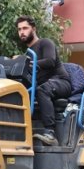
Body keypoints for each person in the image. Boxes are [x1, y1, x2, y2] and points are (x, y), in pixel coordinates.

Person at [15, 16, 73, 146]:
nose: (22, 32)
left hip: (61, 82)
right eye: (19, 29)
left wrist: (25, 60)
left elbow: (50, 61)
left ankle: (50, 133)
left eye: (25, 28)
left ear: (33, 29)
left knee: (42, 90)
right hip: (44, 86)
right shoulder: (28, 53)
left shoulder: (45, 43)